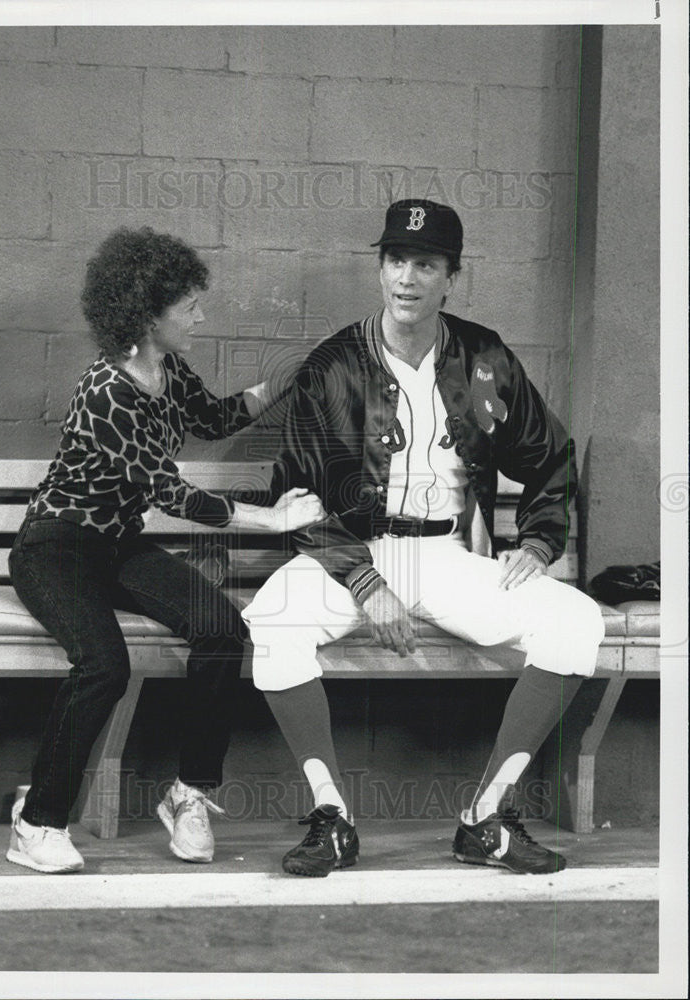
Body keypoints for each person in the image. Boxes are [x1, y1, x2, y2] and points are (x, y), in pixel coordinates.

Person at [242, 199, 605, 877]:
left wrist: (537, 541)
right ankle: (331, 818)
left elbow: (549, 456)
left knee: (576, 622)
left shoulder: (482, 357)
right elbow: (296, 495)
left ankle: (484, 819)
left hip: (443, 553)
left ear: (450, 277)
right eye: (395, 261)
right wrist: (363, 582)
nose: (407, 277)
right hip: (351, 550)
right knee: (271, 620)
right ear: (379, 269)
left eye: (426, 264)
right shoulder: (332, 365)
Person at [7, 227, 324, 874]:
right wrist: (272, 518)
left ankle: (189, 794)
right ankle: (37, 823)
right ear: (149, 315)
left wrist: (282, 382)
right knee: (104, 665)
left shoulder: (166, 369)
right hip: (55, 549)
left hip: (118, 546)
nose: (201, 317)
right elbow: (169, 493)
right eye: (189, 307)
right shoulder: (107, 390)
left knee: (220, 629)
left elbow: (212, 418)